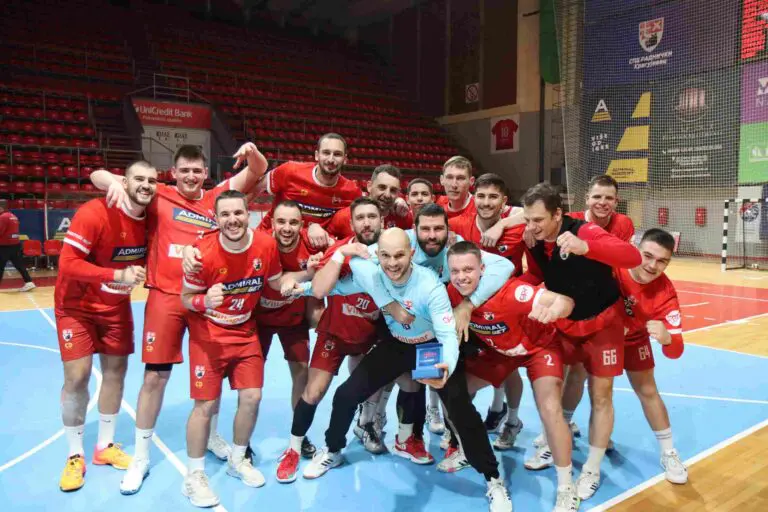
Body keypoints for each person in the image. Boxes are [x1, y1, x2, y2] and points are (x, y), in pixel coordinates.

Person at [91, 142, 269, 494]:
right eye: (184, 170)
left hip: (207, 300)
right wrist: (112, 182)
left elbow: (259, 170)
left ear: (205, 173)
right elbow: (97, 175)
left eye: (196, 170)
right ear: (173, 173)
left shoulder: (218, 197)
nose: (190, 176)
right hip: (167, 298)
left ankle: (211, 436)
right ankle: (141, 457)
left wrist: (251, 152)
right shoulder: (159, 194)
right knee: (155, 377)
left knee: (215, 375)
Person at [303, 228, 514, 512]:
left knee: (461, 411)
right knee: (345, 394)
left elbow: (448, 335)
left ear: (411, 254)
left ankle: (493, 479)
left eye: (399, 256)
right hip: (398, 345)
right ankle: (333, 449)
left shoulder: (430, 286)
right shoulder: (373, 274)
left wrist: (446, 367)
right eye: (386, 256)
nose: (392, 263)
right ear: (378, 256)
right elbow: (338, 287)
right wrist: (300, 288)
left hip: (431, 348)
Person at [179, 190, 305, 507]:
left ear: (249, 214)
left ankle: (238, 459)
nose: (232, 220)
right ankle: (194, 475)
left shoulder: (265, 245)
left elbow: (275, 281)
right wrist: (204, 300)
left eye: (238, 213)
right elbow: (186, 299)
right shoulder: (201, 252)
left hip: (246, 328)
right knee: (205, 405)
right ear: (216, 218)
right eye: (225, 214)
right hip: (209, 333)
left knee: (252, 397)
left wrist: (301, 279)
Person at [519, 182, 641, 501]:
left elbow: (631, 256)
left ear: (557, 215)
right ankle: (556, 441)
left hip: (603, 322)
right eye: (528, 219)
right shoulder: (533, 238)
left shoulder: (585, 231)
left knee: (601, 394)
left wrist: (586, 247)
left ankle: (592, 469)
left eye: (538, 220)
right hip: (566, 321)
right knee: (560, 384)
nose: (531, 226)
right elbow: (536, 276)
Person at [442, 241, 580, 512]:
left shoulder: (513, 293)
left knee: (549, 408)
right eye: (455, 271)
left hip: (538, 349)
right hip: (502, 352)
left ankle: (567, 488)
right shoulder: (451, 294)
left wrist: (554, 310)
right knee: (452, 394)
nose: (461, 277)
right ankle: (466, 450)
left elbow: (566, 301)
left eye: (468, 270)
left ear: (483, 269)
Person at [274, 197, 402, 483]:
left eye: (372, 217)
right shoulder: (338, 250)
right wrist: (336, 256)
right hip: (335, 332)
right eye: (360, 218)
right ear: (352, 223)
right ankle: (293, 448)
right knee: (313, 392)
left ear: (382, 220)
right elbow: (315, 286)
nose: (366, 223)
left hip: (371, 336)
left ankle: (365, 426)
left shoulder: (392, 253)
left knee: (359, 393)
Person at [55, 161, 158, 492]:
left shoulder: (153, 217)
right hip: (76, 307)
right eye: (138, 178)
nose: (145, 184)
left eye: (152, 180)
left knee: (116, 373)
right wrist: (116, 274)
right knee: (77, 377)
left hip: (116, 306)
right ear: (123, 181)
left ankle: (104, 446)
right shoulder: (95, 212)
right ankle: (75, 455)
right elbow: (67, 264)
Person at [552, 174, 636, 441]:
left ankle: (599, 432)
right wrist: (504, 223)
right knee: (570, 373)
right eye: (597, 196)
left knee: (600, 382)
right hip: (574, 309)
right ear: (587, 198)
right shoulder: (570, 221)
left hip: (605, 308)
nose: (603, 202)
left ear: (617, 201)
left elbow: (622, 264)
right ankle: (560, 424)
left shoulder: (623, 224)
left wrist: (628, 314)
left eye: (609, 198)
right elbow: (530, 212)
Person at [448, 173, 528, 441]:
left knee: (510, 369)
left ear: (504, 201)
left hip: (506, 314)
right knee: (467, 370)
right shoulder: (459, 224)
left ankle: (512, 420)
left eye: (493, 197)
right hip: (470, 312)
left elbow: (539, 212)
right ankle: (463, 427)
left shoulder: (518, 227)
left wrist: (503, 223)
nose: (486, 202)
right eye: (481, 196)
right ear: (473, 197)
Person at [616, 228, 687, 484]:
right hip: (599, 337)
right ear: (636, 248)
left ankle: (669, 452)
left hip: (635, 340)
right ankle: (555, 435)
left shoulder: (665, 292)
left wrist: (667, 339)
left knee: (648, 390)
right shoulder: (614, 266)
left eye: (662, 261)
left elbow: (676, 350)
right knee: (583, 381)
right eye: (647, 256)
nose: (652, 265)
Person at [255, 200, 323, 459]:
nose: (287, 228)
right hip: (259, 320)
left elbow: (340, 248)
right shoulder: (260, 244)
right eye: (281, 221)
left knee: (302, 374)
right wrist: (307, 273)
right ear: (271, 222)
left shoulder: (311, 244)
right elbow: (278, 282)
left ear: (301, 225)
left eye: (293, 222)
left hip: (293, 320)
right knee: (251, 383)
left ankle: (299, 435)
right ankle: (243, 440)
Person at [255, 132, 361, 249]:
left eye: (337, 154)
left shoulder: (352, 191)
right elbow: (255, 188)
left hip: (310, 250)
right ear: (317, 155)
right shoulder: (290, 171)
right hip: (268, 240)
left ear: (345, 159)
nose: (331, 159)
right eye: (326, 153)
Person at [326, 164, 412, 237]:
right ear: (369, 186)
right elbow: (328, 241)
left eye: (393, 190)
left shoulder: (403, 218)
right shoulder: (345, 216)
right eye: (382, 187)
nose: (387, 195)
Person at [0, 199, 35, 291]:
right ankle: (29, 282)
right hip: (15, 245)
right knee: (19, 265)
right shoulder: (13, 216)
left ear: (1, 208)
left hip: (4, 247)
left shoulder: (3, 217)